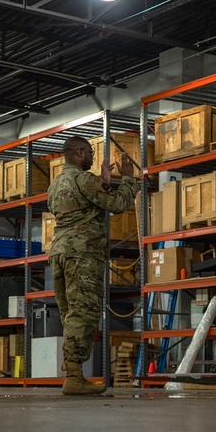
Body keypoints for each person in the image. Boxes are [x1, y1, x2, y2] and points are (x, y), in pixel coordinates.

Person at [48, 136, 139, 395]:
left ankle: (72, 372)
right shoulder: (83, 179)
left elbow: (82, 206)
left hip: (59, 252)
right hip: (83, 254)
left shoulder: (56, 184)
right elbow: (118, 205)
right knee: (84, 312)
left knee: (70, 314)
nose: (91, 157)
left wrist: (104, 183)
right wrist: (128, 179)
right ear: (78, 153)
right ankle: (74, 377)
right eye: (89, 152)